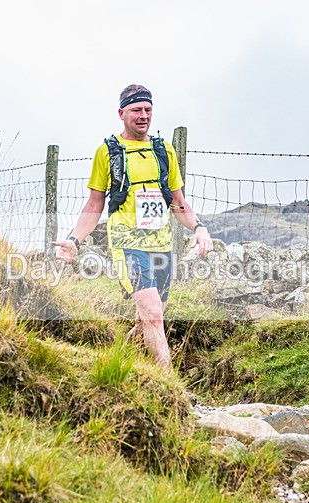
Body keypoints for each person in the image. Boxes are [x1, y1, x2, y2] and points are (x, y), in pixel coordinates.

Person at [53, 84, 213, 370]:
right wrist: (73, 240)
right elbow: (94, 205)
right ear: (121, 113)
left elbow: (178, 203)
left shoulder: (163, 150)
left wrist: (199, 228)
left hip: (162, 246)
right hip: (127, 245)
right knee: (152, 313)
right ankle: (168, 384)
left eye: (148, 110)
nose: (143, 116)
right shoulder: (108, 152)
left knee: (149, 319)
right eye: (136, 110)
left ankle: (120, 363)